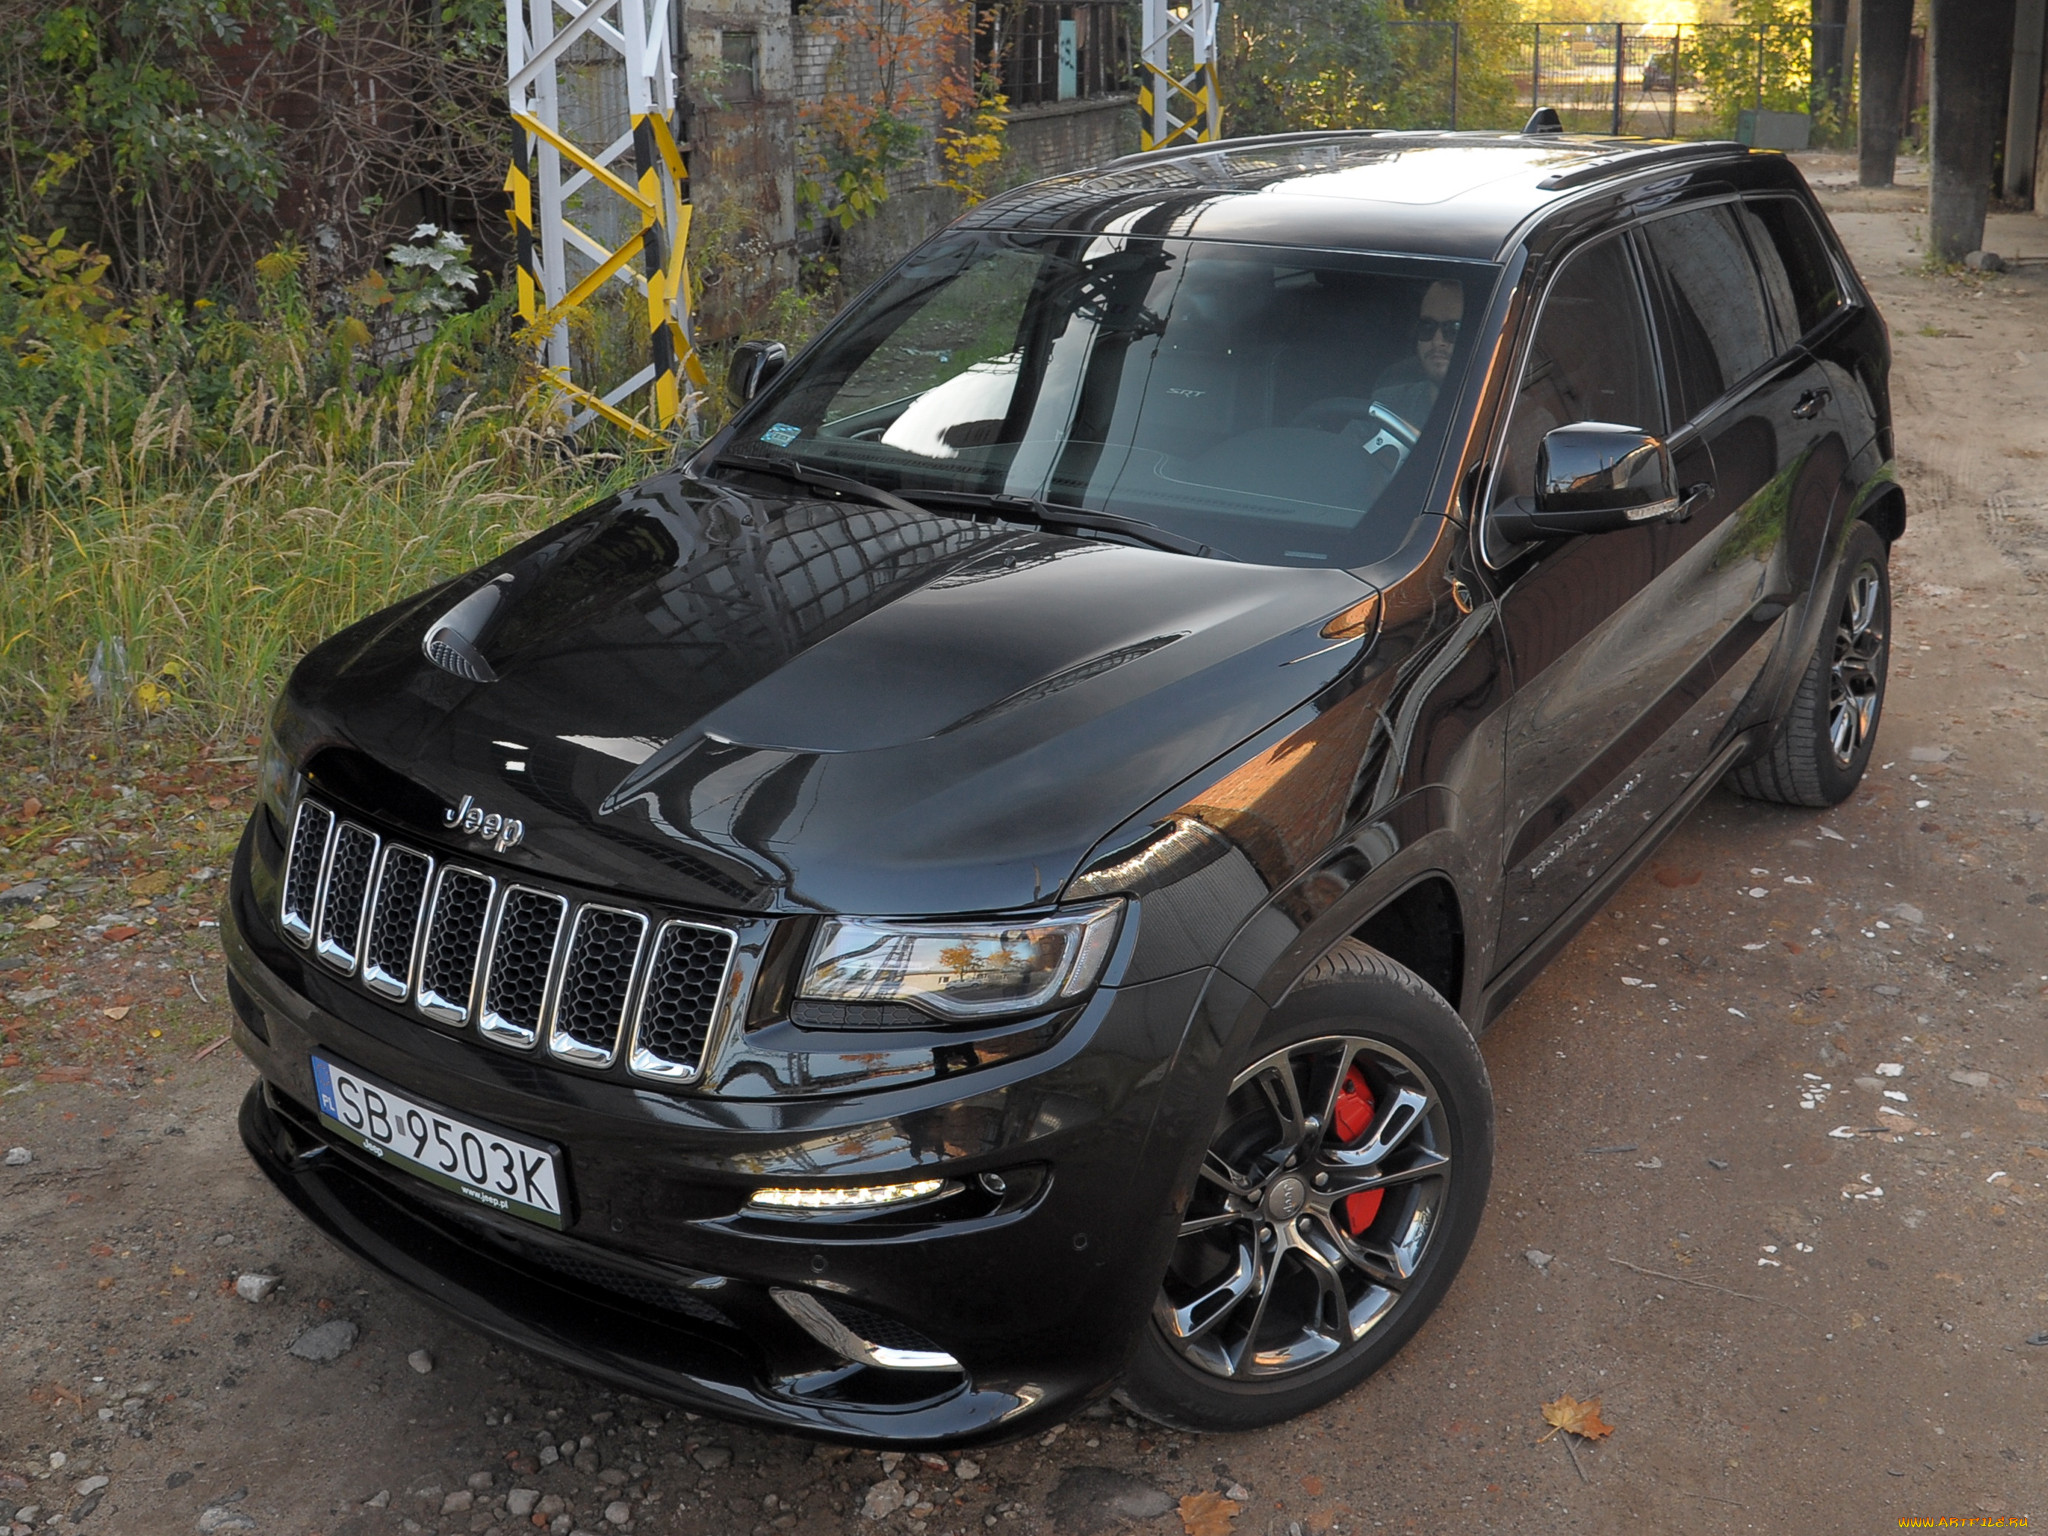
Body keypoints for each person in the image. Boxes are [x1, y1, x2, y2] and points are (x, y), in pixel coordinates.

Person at [1372, 279, 1465, 431]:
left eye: (1453, 330)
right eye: (1427, 327)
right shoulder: (1387, 405)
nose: (1437, 341)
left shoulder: (1499, 413)